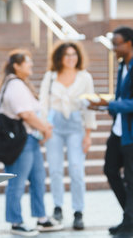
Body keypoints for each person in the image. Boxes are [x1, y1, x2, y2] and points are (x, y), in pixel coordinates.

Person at [89, 26, 133, 238]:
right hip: (120, 130)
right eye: (113, 43)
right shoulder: (122, 66)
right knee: (110, 170)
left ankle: (128, 223)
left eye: (117, 43)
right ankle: (131, 219)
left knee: (131, 177)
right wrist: (104, 104)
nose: (114, 47)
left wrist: (113, 105)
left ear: (129, 43)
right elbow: (122, 98)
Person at [0, 49, 63, 236]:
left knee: (38, 180)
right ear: (16, 66)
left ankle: (42, 218)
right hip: (20, 143)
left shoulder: (20, 84)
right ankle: (16, 222)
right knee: (17, 184)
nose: (31, 65)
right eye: (27, 62)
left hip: (29, 141)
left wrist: (42, 129)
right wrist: (45, 128)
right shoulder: (15, 85)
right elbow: (26, 114)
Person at [39, 41, 97, 230]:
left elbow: (90, 106)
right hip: (54, 125)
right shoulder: (50, 76)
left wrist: (88, 134)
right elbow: (43, 103)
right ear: (60, 58)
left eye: (74, 54)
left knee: (76, 169)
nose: (71, 58)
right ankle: (57, 207)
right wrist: (45, 127)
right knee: (55, 170)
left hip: (75, 126)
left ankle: (78, 211)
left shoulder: (85, 77)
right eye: (67, 55)